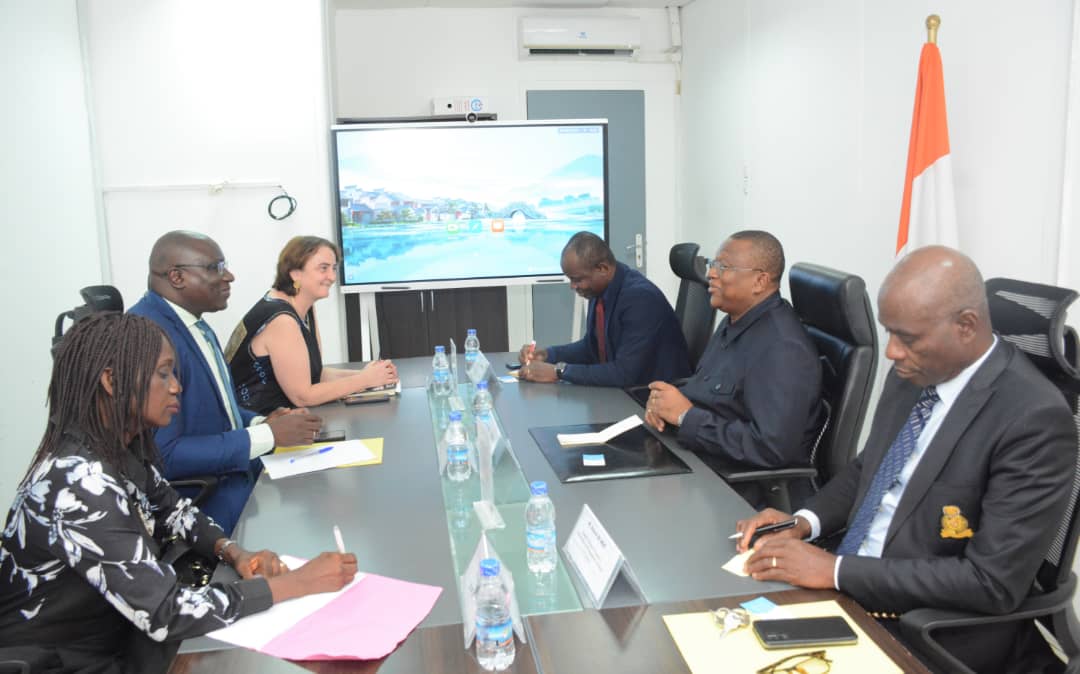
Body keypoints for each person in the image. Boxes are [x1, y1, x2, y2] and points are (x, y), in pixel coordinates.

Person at [735, 246, 1077, 673]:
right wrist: (803, 521)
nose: (892, 352)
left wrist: (837, 571)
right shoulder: (917, 371)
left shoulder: (1033, 419)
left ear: (966, 326)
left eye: (907, 338)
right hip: (848, 583)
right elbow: (868, 467)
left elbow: (990, 583)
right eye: (889, 333)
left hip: (926, 628)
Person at [0, 312, 357, 673]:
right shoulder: (79, 481)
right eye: (163, 373)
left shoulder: (119, 447)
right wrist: (299, 582)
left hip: (116, 636)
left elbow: (174, 511)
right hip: (66, 662)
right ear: (111, 380)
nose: (176, 387)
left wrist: (235, 553)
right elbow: (164, 612)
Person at [129, 231, 323, 534]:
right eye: (215, 268)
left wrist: (262, 420)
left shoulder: (194, 324)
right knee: (315, 519)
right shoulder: (149, 337)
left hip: (236, 473)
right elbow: (164, 455)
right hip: (207, 502)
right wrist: (267, 436)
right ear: (177, 277)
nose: (229, 276)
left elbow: (219, 406)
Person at [643, 231, 825, 508]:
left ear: (760, 281)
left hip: (739, 490)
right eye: (713, 265)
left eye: (723, 267)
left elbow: (770, 448)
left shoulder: (782, 348)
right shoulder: (735, 321)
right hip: (701, 460)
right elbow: (710, 392)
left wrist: (685, 416)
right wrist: (663, 403)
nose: (711, 275)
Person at [224, 235, 398, 415]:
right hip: (263, 426)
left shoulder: (303, 307)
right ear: (294, 273)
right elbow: (303, 396)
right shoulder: (282, 321)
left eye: (334, 268)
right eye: (323, 268)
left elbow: (315, 374)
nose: (331, 276)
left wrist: (369, 375)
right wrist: (364, 380)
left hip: (286, 419)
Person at [517, 231, 691, 387]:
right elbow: (591, 347)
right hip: (623, 392)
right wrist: (548, 355)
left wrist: (559, 371)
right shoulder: (600, 290)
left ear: (603, 269)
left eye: (577, 279)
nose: (573, 286)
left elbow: (623, 373)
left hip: (647, 399)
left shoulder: (640, 299)